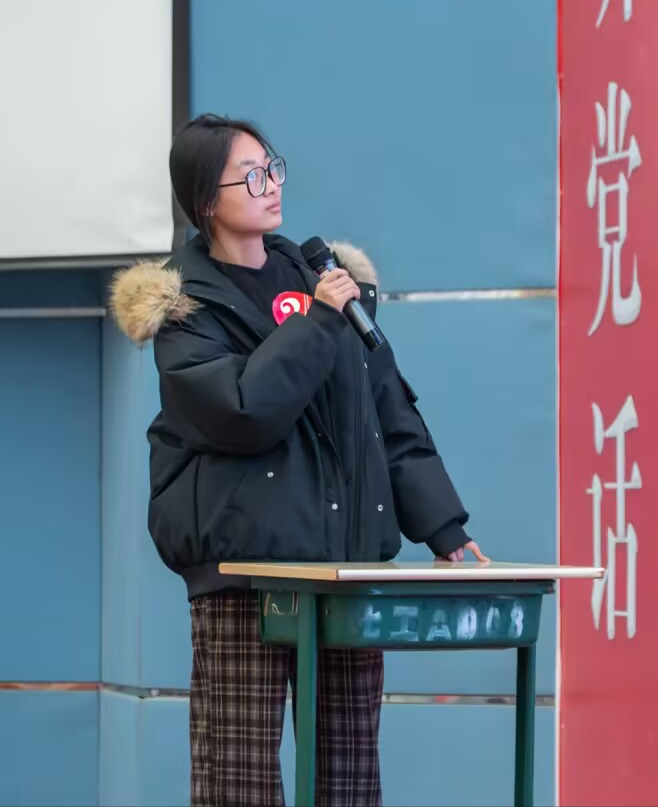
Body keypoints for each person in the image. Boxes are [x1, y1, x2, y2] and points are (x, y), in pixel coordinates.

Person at [109, 113, 488, 806]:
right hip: (244, 576)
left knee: (348, 777)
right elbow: (243, 410)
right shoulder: (185, 307)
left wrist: (444, 526)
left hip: (342, 569)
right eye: (251, 176)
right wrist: (316, 322)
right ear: (205, 199)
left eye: (273, 167)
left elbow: (386, 412)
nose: (272, 184)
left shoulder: (321, 276)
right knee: (240, 781)